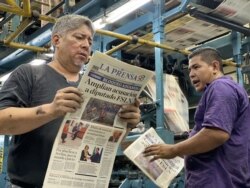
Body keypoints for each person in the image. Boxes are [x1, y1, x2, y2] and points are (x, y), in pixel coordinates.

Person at [0, 14, 141, 188]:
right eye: (79, 37)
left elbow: (105, 142)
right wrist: (51, 110)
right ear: (56, 40)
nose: (86, 45)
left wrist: (126, 125)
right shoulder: (29, 74)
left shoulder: (92, 86)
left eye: (90, 41)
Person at [144, 47, 250, 187]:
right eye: (189, 70)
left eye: (196, 67)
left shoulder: (220, 87)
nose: (192, 74)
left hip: (218, 180)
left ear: (214, 66)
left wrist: (173, 150)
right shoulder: (221, 89)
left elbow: (216, 134)